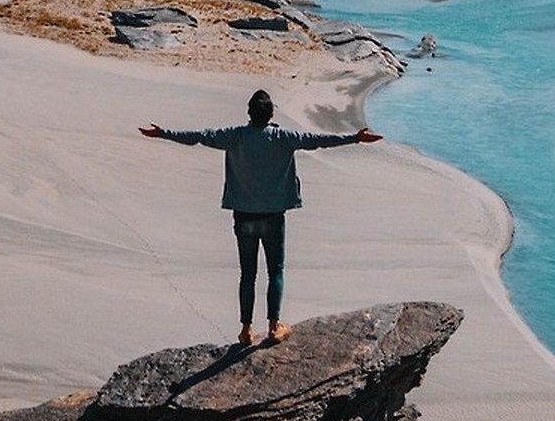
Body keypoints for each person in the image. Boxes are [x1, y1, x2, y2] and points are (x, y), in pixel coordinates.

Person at [140, 90, 382, 346]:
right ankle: (274, 326)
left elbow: (199, 137)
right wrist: (355, 138)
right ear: (271, 115)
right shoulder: (283, 137)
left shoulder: (234, 136)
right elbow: (318, 140)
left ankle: (246, 330)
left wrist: (163, 133)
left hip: (243, 215)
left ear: (249, 113)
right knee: (275, 270)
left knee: (248, 273)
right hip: (273, 215)